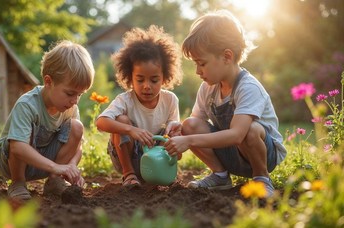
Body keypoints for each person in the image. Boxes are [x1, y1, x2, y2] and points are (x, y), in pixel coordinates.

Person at [164, 10, 287, 197]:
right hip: (231, 153)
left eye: (202, 63)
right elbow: (195, 125)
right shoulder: (208, 88)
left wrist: (188, 141)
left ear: (227, 57)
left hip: (261, 154)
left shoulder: (248, 88)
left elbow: (238, 135)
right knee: (189, 124)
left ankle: (262, 179)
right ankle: (220, 175)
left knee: (250, 129)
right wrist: (179, 130)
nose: (197, 71)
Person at [0, 40, 95, 200]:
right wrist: (56, 167)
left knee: (77, 127)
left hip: (46, 163)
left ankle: (55, 182)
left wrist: (70, 167)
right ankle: (17, 183)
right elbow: (18, 148)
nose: (75, 101)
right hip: (13, 161)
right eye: (70, 93)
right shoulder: (28, 104)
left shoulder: (70, 107)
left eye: (80, 95)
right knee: (17, 141)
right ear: (48, 82)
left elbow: (78, 146)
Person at [96, 25, 183, 188]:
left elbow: (174, 128)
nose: (147, 86)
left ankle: (164, 173)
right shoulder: (125, 100)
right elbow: (100, 122)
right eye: (140, 80)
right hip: (128, 157)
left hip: (156, 155)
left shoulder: (170, 99)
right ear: (130, 77)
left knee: (176, 133)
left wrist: (172, 128)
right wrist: (131, 130)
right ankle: (129, 175)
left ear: (165, 77)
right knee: (121, 120)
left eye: (154, 80)